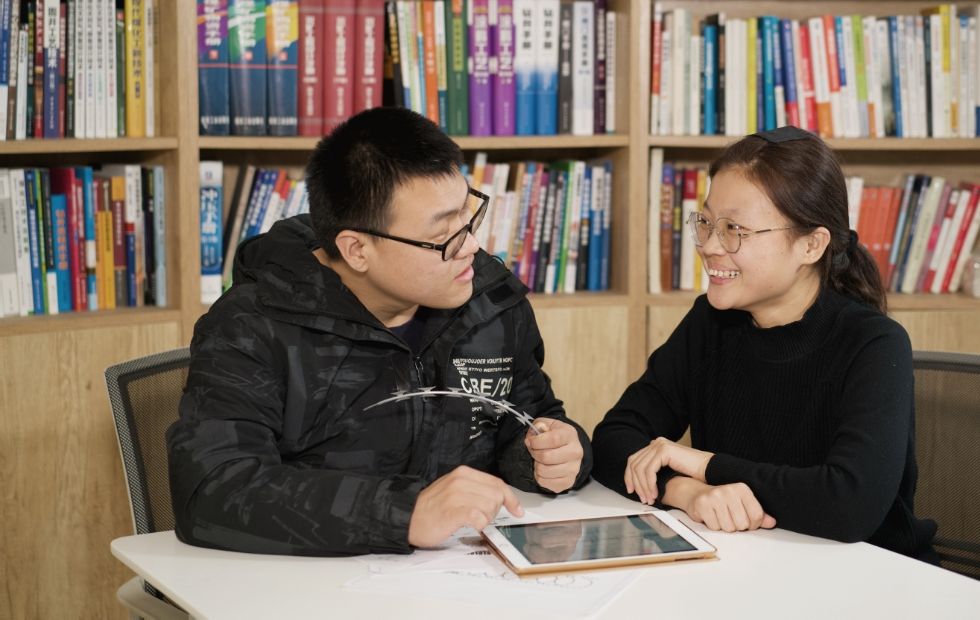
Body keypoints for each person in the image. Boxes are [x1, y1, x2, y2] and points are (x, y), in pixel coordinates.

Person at [167, 107, 592, 556]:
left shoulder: (489, 302)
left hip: (463, 581)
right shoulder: (252, 327)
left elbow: (527, 418)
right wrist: (404, 514)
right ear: (357, 249)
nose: (471, 246)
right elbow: (214, 489)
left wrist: (550, 456)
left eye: (469, 219)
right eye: (444, 234)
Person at [592, 126, 936, 561]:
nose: (710, 246)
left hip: (871, 579)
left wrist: (701, 463)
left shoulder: (874, 344)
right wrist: (688, 492)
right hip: (750, 566)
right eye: (706, 222)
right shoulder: (711, 323)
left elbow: (849, 504)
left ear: (811, 244)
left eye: (735, 228)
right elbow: (612, 440)